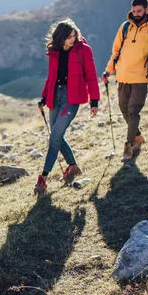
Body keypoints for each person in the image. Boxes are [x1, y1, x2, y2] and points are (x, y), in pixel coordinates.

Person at [34, 18, 100, 194]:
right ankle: (74, 167)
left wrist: (94, 101)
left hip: (72, 97)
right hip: (55, 96)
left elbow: (92, 75)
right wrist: (43, 97)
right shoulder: (55, 52)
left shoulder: (84, 50)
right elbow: (51, 77)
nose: (73, 39)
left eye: (74, 36)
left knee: (55, 136)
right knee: (57, 136)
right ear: (61, 37)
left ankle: (43, 178)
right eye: (69, 37)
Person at [102, 0, 148, 161]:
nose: (136, 14)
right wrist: (108, 71)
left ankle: (129, 147)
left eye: (139, 11)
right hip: (122, 76)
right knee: (124, 109)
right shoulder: (125, 27)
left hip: (140, 78)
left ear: (146, 9)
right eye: (134, 11)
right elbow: (115, 51)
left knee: (133, 111)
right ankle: (137, 136)